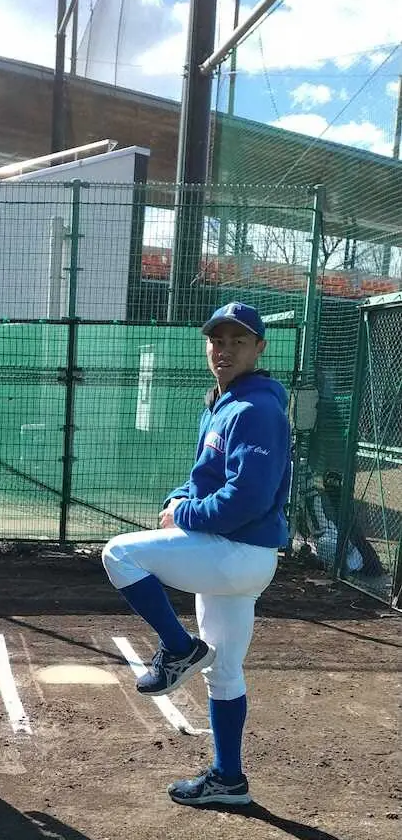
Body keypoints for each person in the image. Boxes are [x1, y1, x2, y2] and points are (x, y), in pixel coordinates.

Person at [101, 302, 291, 807]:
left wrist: (184, 516)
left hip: (237, 552)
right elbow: (203, 480)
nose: (224, 349)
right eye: (217, 340)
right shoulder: (223, 402)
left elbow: (246, 497)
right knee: (224, 671)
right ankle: (229, 780)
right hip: (233, 556)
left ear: (259, 348)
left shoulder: (256, 408)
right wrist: (176, 499)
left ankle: (177, 647)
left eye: (238, 341)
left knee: (120, 555)